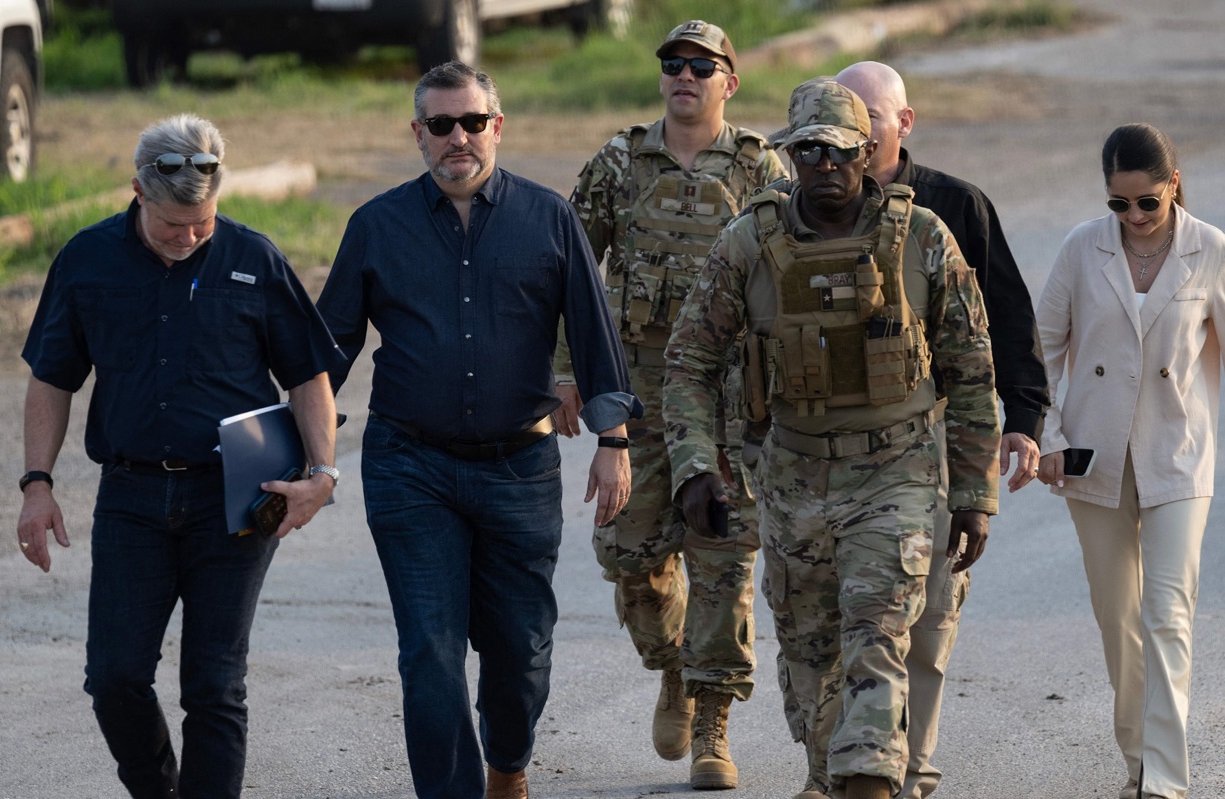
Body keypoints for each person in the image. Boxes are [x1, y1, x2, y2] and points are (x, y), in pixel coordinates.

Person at [663, 79, 1002, 799]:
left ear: (868, 151)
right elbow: (690, 361)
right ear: (789, 156)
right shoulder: (749, 241)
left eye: (840, 151)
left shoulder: (922, 239)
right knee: (810, 654)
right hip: (792, 477)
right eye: (807, 151)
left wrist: (974, 493)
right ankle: (830, 772)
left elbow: (971, 372)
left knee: (876, 637)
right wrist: (696, 465)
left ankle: (868, 780)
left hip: (898, 472)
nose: (823, 166)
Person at [314, 61, 641, 799]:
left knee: (519, 650)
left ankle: (509, 764)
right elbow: (327, 349)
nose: (457, 137)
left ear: (498, 126)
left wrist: (613, 441)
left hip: (519, 467)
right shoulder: (377, 226)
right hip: (409, 466)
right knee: (428, 651)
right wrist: (302, 444)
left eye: (472, 122)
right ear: (419, 135)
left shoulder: (548, 217)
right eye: (440, 125)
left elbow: (593, 334)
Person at [15, 114, 342, 799]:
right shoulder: (86, 261)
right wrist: (36, 483)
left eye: (204, 223)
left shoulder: (255, 257)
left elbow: (308, 373)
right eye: (174, 227)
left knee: (214, 684)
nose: (191, 237)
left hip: (238, 500)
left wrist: (322, 474)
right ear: (138, 191)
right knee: (114, 676)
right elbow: (51, 377)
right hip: (131, 499)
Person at [552, 19, 787, 790]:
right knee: (628, 556)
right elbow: (571, 275)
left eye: (701, 65)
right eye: (672, 64)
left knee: (724, 558)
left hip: (729, 400)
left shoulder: (762, 169)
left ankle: (714, 721)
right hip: (640, 396)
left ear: (730, 80)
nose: (684, 75)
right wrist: (565, 371)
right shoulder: (620, 163)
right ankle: (675, 665)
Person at [1035, 123, 1225, 799]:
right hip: (1093, 458)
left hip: (1178, 453)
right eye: (1119, 204)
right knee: (1119, 620)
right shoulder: (1079, 247)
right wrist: (1048, 435)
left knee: (1168, 613)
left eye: (1147, 202)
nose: (1135, 218)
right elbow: (1041, 351)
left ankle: (1165, 782)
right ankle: (1138, 760)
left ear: (1172, 185)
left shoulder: (1211, 249)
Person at [832, 61, 1050, 799]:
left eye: (870, 116)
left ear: (906, 121)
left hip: (940, 445)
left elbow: (1008, 324)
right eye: (844, 115)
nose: (856, 132)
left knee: (927, 613)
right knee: (843, 615)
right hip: (831, 449)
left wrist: (1020, 423)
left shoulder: (956, 205)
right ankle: (843, 761)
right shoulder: (804, 203)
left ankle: (911, 766)